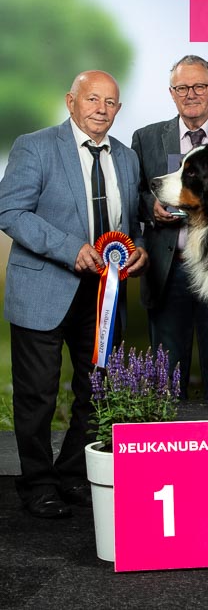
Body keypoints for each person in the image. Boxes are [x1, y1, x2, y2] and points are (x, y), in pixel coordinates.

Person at [0, 71, 148, 518]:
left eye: (110, 102)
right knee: (38, 395)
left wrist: (139, 249)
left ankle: (72, 474)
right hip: (42, 289)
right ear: (71, 101)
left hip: (104, 295)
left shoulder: (127, 157)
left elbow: (132, 222)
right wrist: (70, 248)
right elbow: (10, 211)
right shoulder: (35, 146)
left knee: (95, 391)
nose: (101, 109)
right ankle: (37, 483)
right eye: (92, 99)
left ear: (118, 109)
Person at [132, 55, 208, 399]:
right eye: (182, 87)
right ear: (172, 93)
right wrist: (151, 206)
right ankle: (172, 434)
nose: (191, 94)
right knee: (166, 381)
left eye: (199, 86)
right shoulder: (147, 137)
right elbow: (133, 192)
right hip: (169, 269)